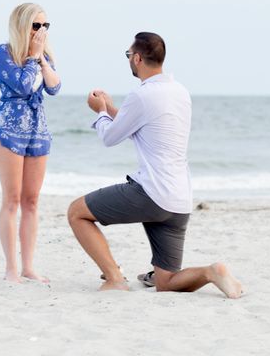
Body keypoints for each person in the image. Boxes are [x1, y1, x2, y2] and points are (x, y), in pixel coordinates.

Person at [66, 32, 243, 297]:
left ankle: (114, 278)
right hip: (179, 199)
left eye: (128, 55)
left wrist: (100, 111)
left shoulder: (142, 95)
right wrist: (113, 108)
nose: (128, 59)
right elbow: (143, 126)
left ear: (137, 58)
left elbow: (110, 137)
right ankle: (211, 272)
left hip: (151, 193)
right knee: (166, 282)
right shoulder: (179, 92)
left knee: (76, 212)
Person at [0, 3, 62, 283]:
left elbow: (55, 87)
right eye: (36, 25)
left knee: (31, 201)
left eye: (45, 25)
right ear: (22, 26)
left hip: (37, 129)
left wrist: (42, 59)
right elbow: (21, 86)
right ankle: (11, 268)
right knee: (11, 199)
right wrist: (32, 57)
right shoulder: (4, 52)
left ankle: (28, 266)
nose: (41, 31)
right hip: (10, 128)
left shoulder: (44, 55)